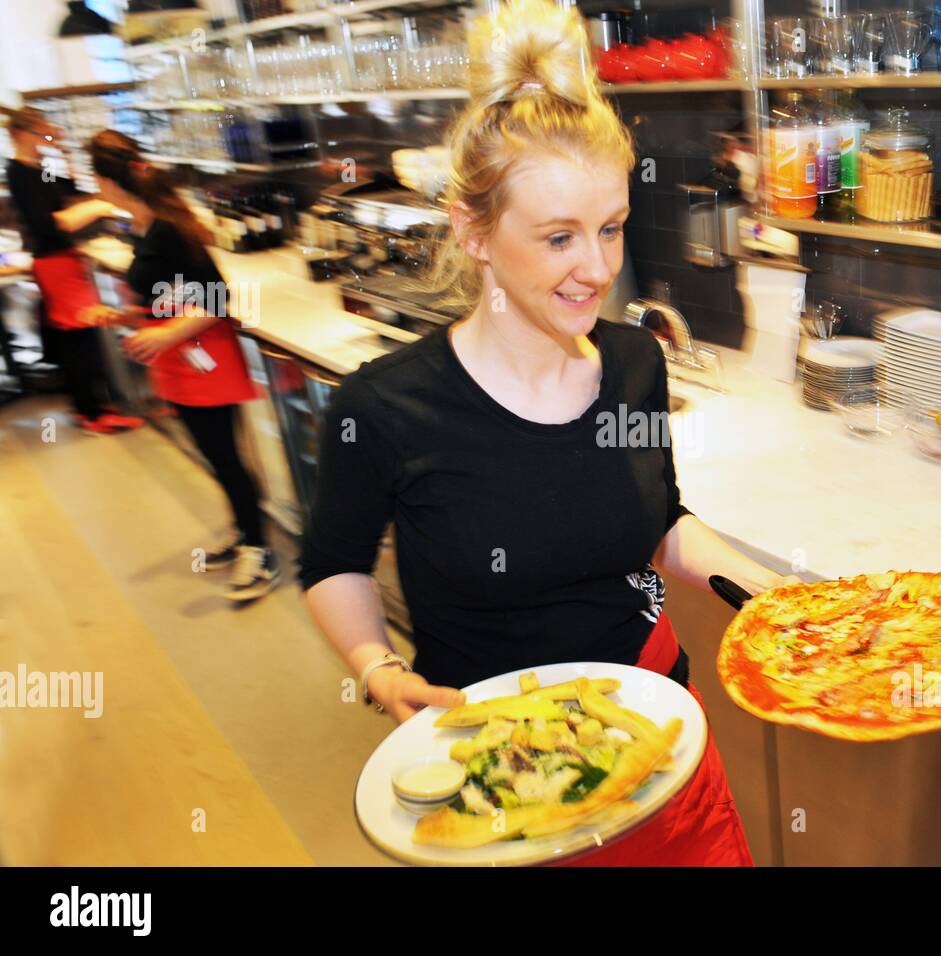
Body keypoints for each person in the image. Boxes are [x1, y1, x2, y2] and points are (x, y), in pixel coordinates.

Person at [299, 0, 795, 866]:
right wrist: (376, 667)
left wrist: (771, 591)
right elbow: (333, 561)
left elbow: (663, 522)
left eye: (609, 229)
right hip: (495, 764)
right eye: (559, 237)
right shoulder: (385, 408)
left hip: (656, 740)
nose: (597, 269)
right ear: (472, 230)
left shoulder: (636, 361)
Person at [87, 130, 280, 602]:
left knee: (225, 457)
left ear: (107, 183)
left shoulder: (166, 229)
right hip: (181, 359)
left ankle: (259, 550)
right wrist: (132, 316)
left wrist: (164, 333)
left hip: (204, 361)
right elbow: (174, 295)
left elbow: (216, 297)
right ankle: (243, 528)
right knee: (215, 456)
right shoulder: (148, 227)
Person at [2, 105, 142, 434]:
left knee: (82, 337)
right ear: (22, 134)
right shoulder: (20, 173)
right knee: (79, 339)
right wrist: (102, 205)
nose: (48, 138)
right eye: (42, 133)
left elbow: (69, 193)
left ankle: (92, 406)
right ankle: (92, 414)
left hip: (64, 259)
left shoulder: (40, 168)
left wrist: (60, 152)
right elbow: (51, 224)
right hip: (53, 262)